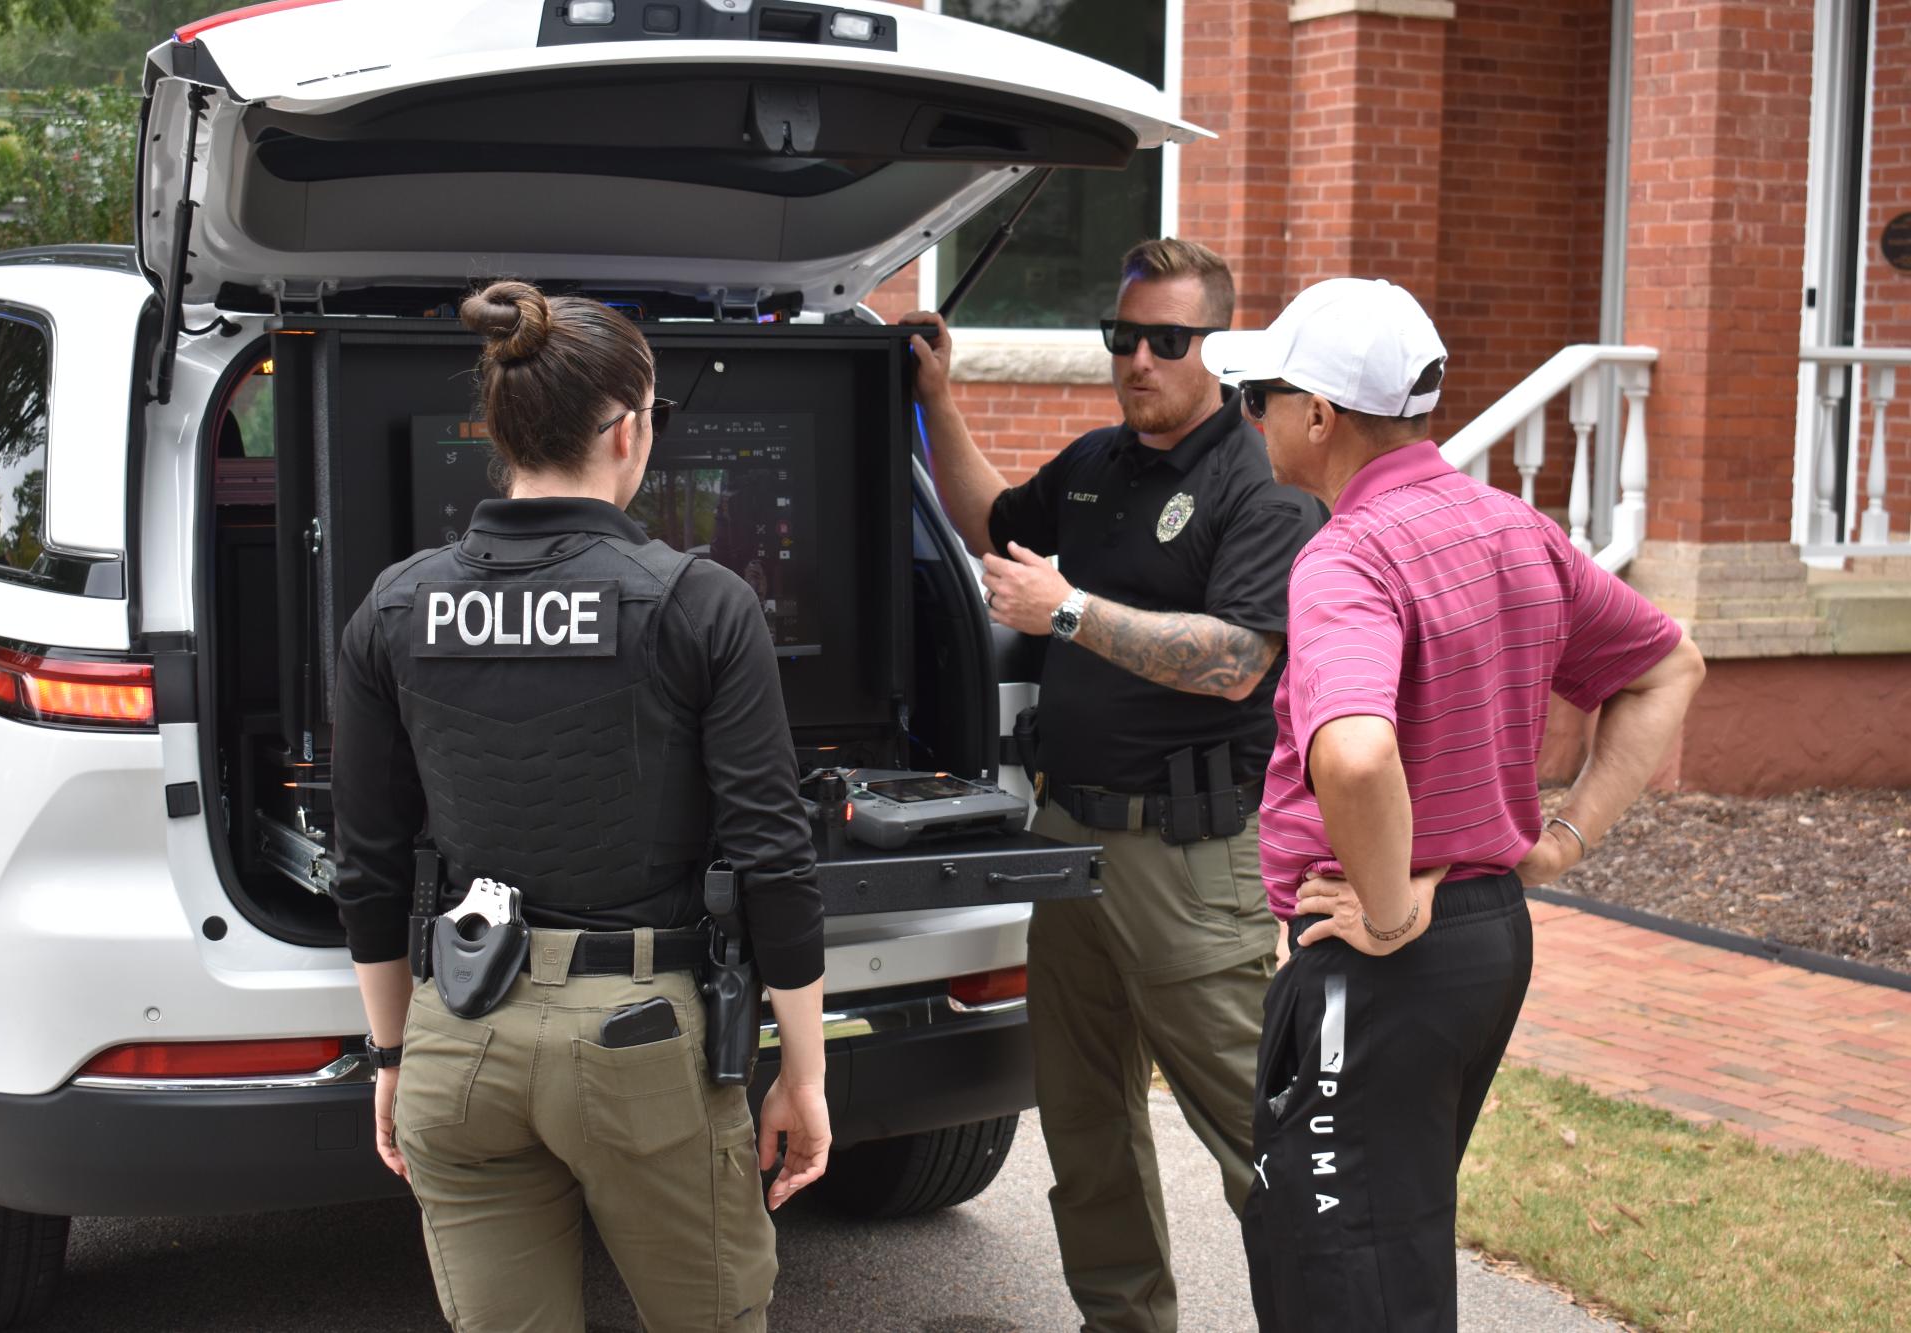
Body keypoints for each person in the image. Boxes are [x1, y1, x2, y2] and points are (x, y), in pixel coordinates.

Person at [1203, 278, 1705, 1331]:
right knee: (1390, 1242)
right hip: (1481, 939)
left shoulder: (1345, 554)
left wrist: (1384, 913)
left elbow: (1349, 755)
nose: (1250, 417)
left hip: (1384, 948)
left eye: (1261, 394)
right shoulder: (1507, 524)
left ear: (1318, 416)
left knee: (1334, 1270)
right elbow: (1670, 668)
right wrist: (1556, 844)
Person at [331, 281, 832, 1333]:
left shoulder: (393, 605)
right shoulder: (700, 602)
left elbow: (367, 864)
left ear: (499, 429)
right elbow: (772, 852)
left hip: (455, 1035)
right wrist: (804, 1071)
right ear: (629, 430)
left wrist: (391, 1054)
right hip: (639, 1040)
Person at [903, 238, 1325, 1332]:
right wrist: (938, 402)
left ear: (1216, 352)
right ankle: (1121, 1320)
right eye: (1120, 337)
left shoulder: (1258, 485)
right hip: (1068, 841)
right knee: (1085, 1131)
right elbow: (990, 521)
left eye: (1166, 341)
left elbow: (1238, 655)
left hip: (1188, 858)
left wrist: (1072, 612)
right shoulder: (1098, 463)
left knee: (1252, 1135)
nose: (1137, 359)